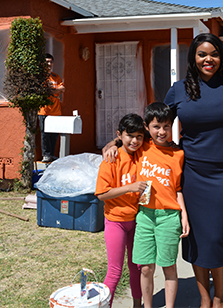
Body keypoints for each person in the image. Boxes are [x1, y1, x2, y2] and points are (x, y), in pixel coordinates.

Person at [164, 33, 223, 308]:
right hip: (193, 175)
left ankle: (220, 298)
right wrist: (120, 140)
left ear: (221, 57)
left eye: (213, 53)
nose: (208, 59)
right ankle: (203, 298)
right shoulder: (179, 89)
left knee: (216, 236)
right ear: (193, 59)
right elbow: (157, 123)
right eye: (201, 54)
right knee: (197, 237)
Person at [132, 102, 188, 308]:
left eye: (166, 126)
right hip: (145, 216)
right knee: (145, 268)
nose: (161, 131)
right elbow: (124, 138)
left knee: (168, 266)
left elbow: (178, 189)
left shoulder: (178, 154)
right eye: (156, 126)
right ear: (147, 127)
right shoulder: (141, 147)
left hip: (168, 217)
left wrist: (184, 215)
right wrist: (111, 145)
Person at [94, 113, 145, 308]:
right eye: (129, 136)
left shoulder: (142, 154)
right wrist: (130, 188)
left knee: (137, 267)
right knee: (115, 270)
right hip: (115, 221)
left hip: (138, 221)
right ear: (120, 135)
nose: (134, 141)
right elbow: (101, 194)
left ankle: (137, 304)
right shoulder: (111, 159)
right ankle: (106, 305)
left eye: (139, 136)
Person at [38, 53, 65, 163]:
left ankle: (51, 154)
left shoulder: (56, 76)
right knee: (45, 134)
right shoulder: (41, 77)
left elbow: (63, 88)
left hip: (56, 111)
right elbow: (44, 91)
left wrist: (52, 91)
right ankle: (46, 155)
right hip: (44, 111)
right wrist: (56, 91)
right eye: (47, 62)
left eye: (51, 62)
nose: (49, 64)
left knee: (54, 135)